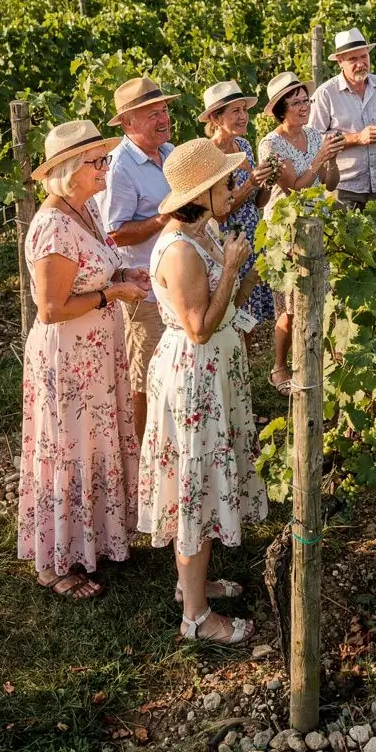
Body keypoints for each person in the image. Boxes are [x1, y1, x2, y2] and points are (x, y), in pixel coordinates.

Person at [138, 138, 267, 645]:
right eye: (225, 184)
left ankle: (193, 583)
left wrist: (258, 263)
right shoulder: (179, 249)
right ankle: (195, 616)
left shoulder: (204, 231)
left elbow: (229, 296)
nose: (232, 189)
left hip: (213, 373)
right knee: (194, 485)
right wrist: (234, 267)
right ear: (203, 192)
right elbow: (198, 327)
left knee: (207, 480)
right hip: (195, 376)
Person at [19, 120, 149, 600]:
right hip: (69, 358)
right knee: (68, 450)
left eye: (104, 158)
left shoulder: (86, 209)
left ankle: (91, 540)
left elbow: (95, 266)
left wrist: (122, 271)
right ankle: (54, 565)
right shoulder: (52, 225)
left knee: (95, 443)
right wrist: (110, 293)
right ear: (69, 171)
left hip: (95, 351)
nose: (105, 167)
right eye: (96, 161)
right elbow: (51, 309)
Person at [100, 76, 178, 445]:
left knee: (173, 367)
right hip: (144, 290)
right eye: (152, 115)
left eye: (164, 111)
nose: (163, 119)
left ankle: (170, 441)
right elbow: (114, 233)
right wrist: (165, 218)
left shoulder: (170, 152)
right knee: (145, 373)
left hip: (175, 283)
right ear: (128, 123)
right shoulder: (119, 167)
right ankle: (145, 453)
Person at [258, 71, 343, 394]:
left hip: (315, 226)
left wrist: (330, 162)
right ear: (281, 109)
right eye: (296, 103)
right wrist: (320, 157)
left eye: (306, 100)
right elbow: (293, 187)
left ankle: (318, 360)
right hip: (285, 232)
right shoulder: (271, 144)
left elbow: (329, 184)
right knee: (290, 307)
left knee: (319, 297)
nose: (304, 107)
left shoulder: (314, 135)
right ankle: (280, 366)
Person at [200, 80, 275, 327]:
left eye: (244, 110)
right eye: (236, 111)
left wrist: (266, 182)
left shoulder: (243, 145)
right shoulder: (210, 156)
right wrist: (251, 183)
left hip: (252, 236)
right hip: (227, 242)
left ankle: (244, 364)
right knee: (232, 310)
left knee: (250, 314)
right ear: (216, 118)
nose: (244, 117)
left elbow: (257, 202)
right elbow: (218, 214)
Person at [308, 27, 376, 210]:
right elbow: (313, 142)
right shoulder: (326, 94)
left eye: (363, 57)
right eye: (353, 59)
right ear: (340, 62)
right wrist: (357, 138)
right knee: (347, 238)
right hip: (344, 189)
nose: (360, 64)